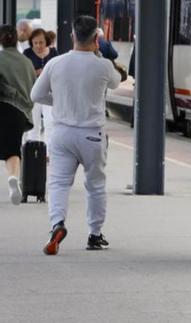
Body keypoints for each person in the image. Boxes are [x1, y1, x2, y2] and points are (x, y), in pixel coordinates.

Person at [31, 16, 123, 255]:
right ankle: (95, 234)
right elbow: (116, 82)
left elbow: (36, 95)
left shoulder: (55, 63)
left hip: (62, 133)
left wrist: (59, 102)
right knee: (95, 186)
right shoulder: (102, 65)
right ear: (96, 39)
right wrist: (100, 55)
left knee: (59, 183)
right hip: (92, 135)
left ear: (72, 36)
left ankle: (57, 225)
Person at [0, 24, 36, 205]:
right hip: (18, 112)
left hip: (2, 106)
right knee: (12, 150)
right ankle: (13, 176)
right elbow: (33, 88)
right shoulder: (26, 62)